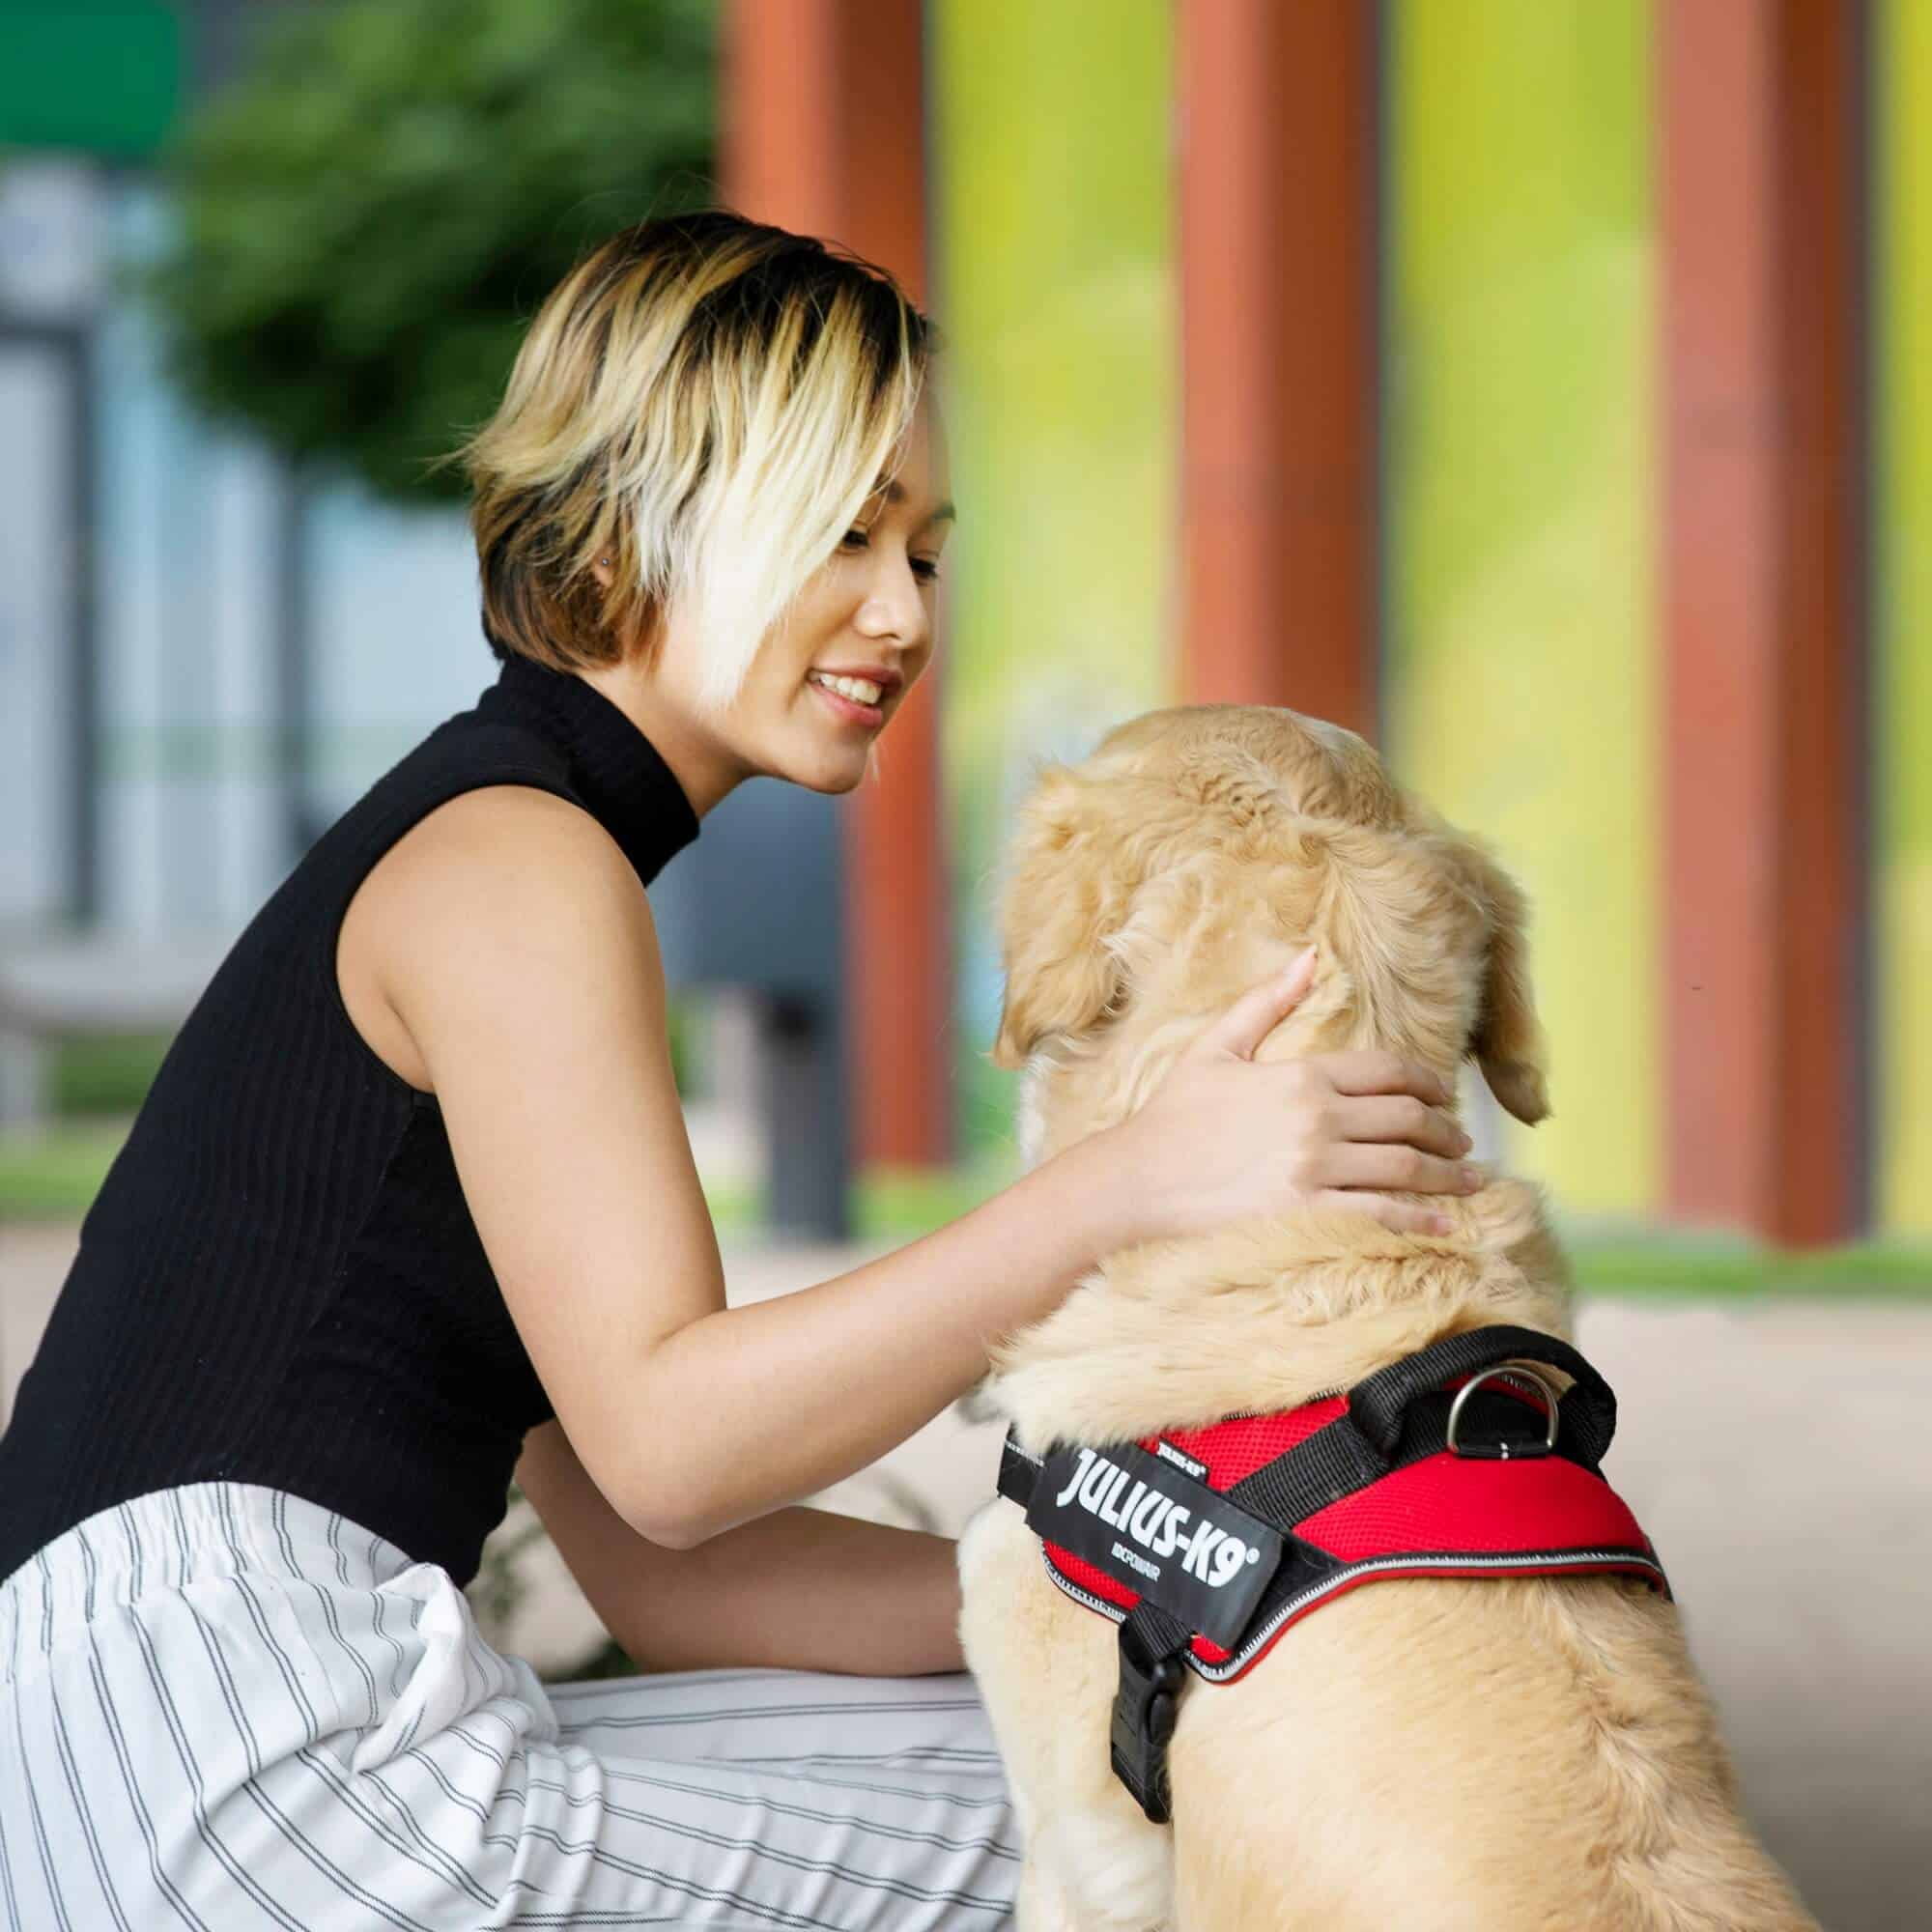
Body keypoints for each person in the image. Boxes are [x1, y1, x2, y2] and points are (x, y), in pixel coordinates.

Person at [0, 210, 1478, 1929]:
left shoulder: (495, 839)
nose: (899, 612)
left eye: (925, 550)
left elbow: (669, 1571)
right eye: (842, 531)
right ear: (643, 519)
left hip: (166, 1750)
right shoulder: (516, 864)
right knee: (1170, 1825)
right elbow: (675, 1446)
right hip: (247, 1766)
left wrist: (1204, 1602)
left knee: (1127, 1741)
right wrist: (1136, 1180)